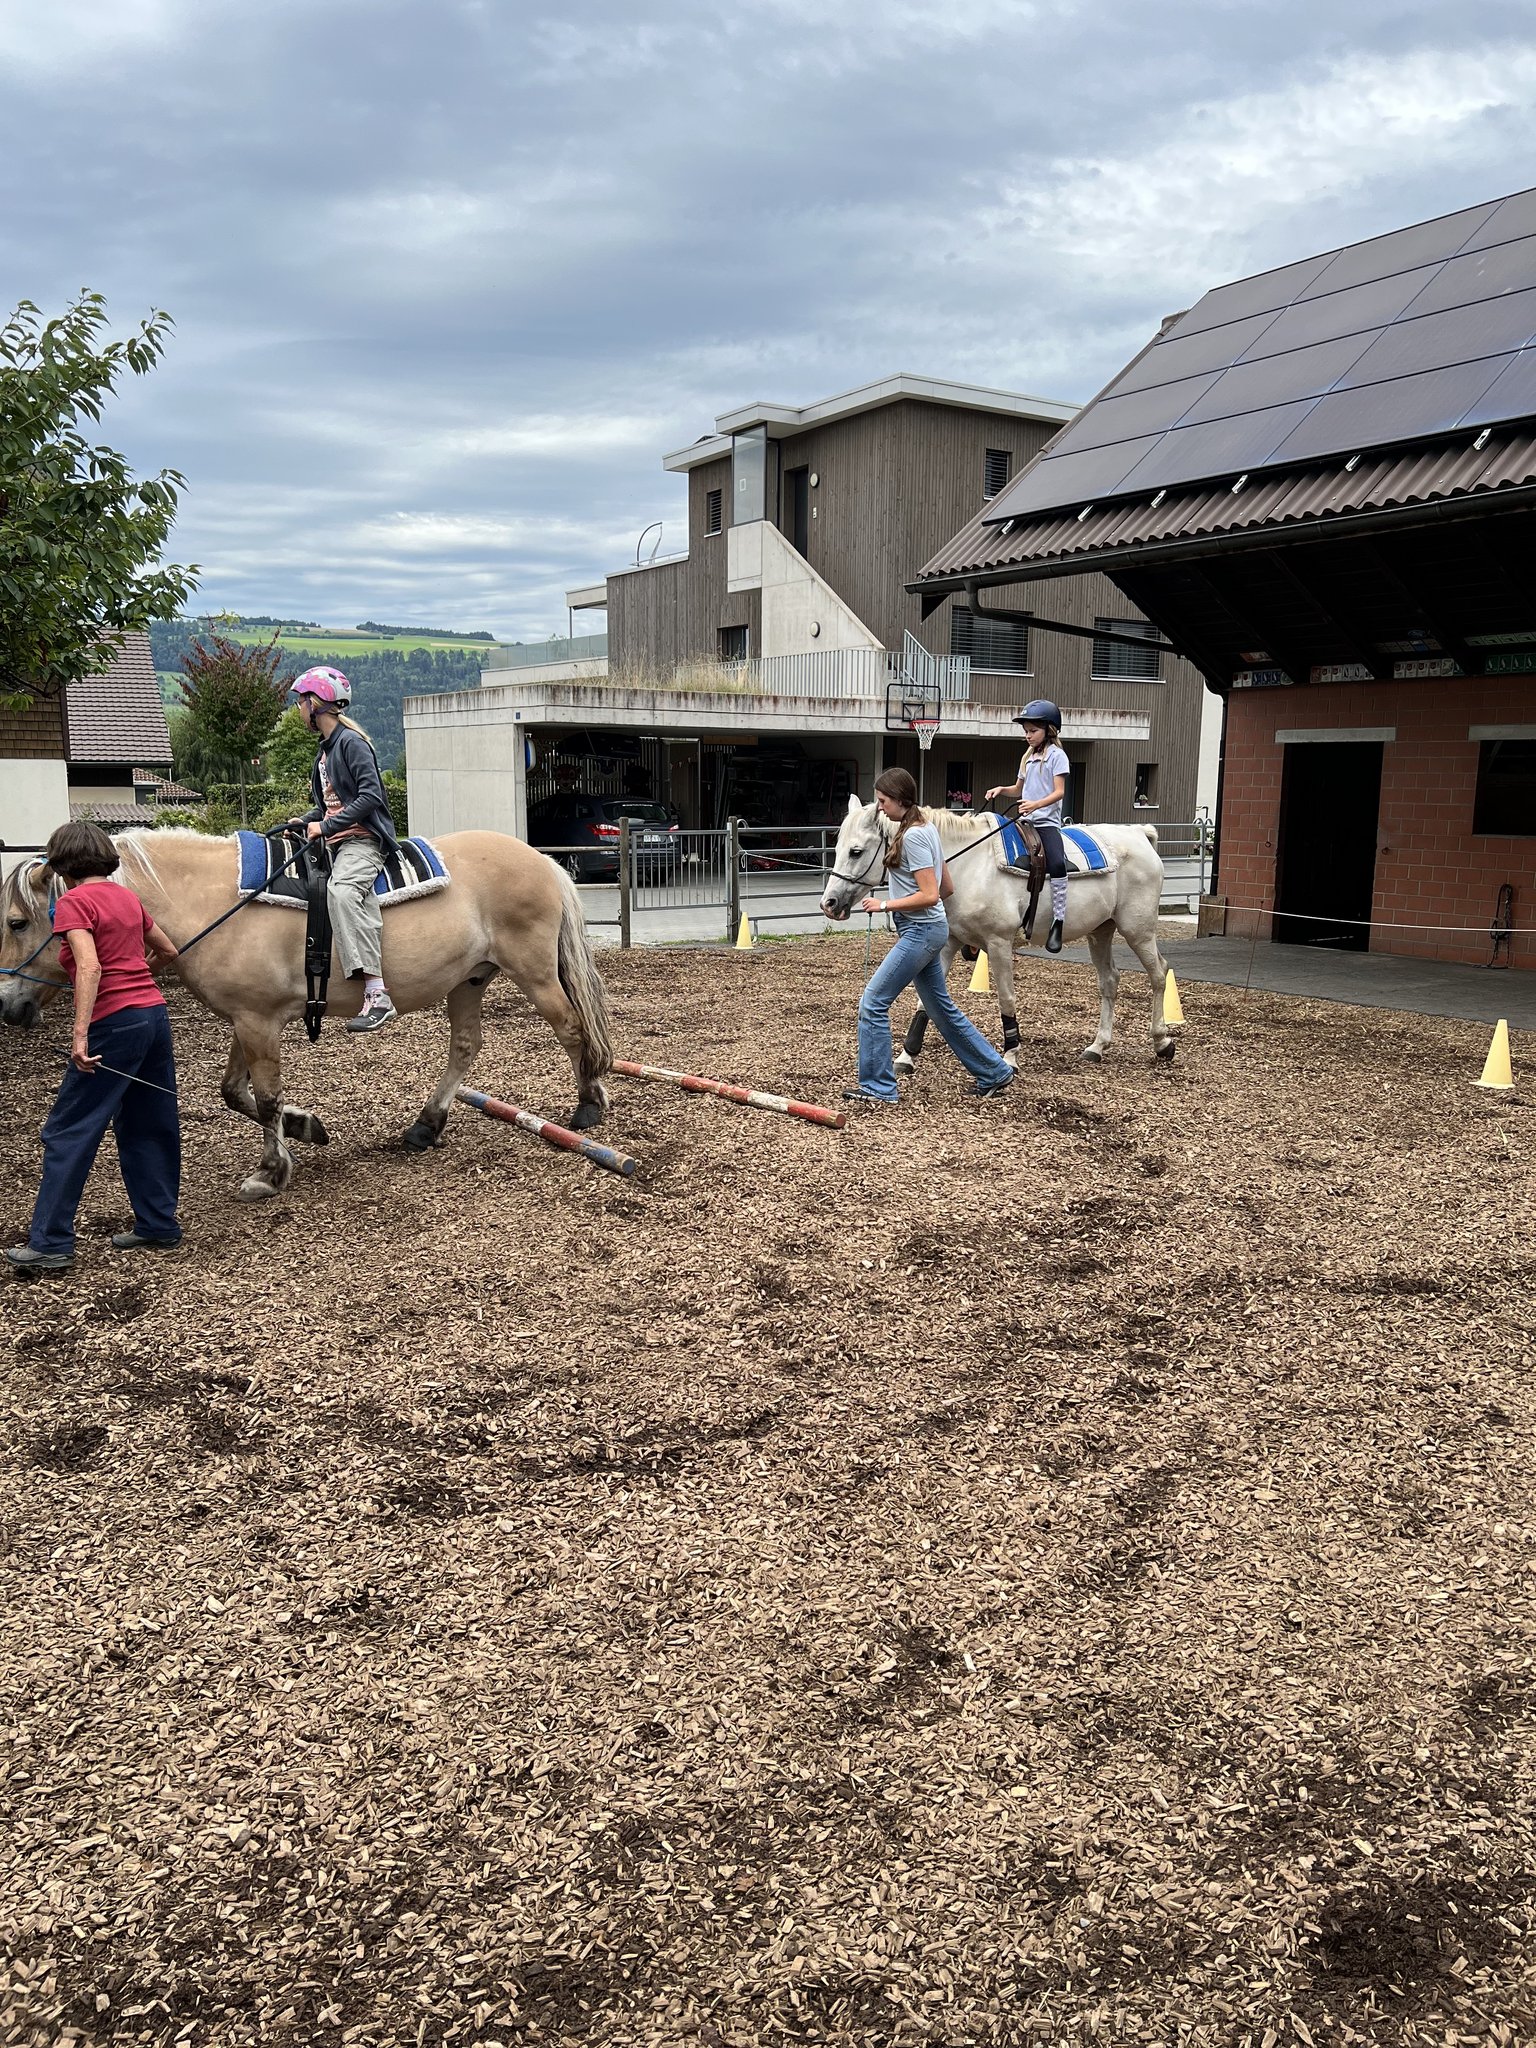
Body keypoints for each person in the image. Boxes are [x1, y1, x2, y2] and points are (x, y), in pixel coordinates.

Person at [5, 822, 182, 1276]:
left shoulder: (72, 903)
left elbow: (89, 967)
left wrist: (80, 1034)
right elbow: (168, 951)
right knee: (149, 1120)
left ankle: (49, 1243)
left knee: (68, 1130)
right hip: (153, 1017)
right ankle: (158, 1223)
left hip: (113, 1025)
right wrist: (138, 977)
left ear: (60, 864)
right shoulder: (127, 899)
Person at [846, 768, 1016, 1105]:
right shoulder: (925, 829)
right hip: (927, 928)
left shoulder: (914, 836)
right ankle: (994, 1071)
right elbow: (947, 886)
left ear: (900, 800)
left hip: (920, 930)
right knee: (940, 1008)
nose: (879, 808)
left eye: (883, 801)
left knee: (873, 1002)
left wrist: (885, 904)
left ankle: (878, 1087)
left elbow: (930, 894)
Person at [289, 666, 400, 1032]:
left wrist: (326, 826)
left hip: (363, 840)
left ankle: (377, 994)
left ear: (314, 703)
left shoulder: (351, 744)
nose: (298, 710)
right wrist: (305, 820)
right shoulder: (325, 752)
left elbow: (370, 797)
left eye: (300, 702)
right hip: (338, 839)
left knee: (342, 892)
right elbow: (330, 806)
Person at [985, 698, 1071, 952]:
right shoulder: (1027, 757)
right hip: (1025, 821)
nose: (1028, 736)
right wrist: (1002, 789)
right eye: (1026, 731)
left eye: (1033, 731)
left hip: (1045, 822)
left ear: (1049, 730)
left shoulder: (1058, 756)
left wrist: (1035, 805)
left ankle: (1058, 920)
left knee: (1056, 863)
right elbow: (1018, 789)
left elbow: (1059, 792)